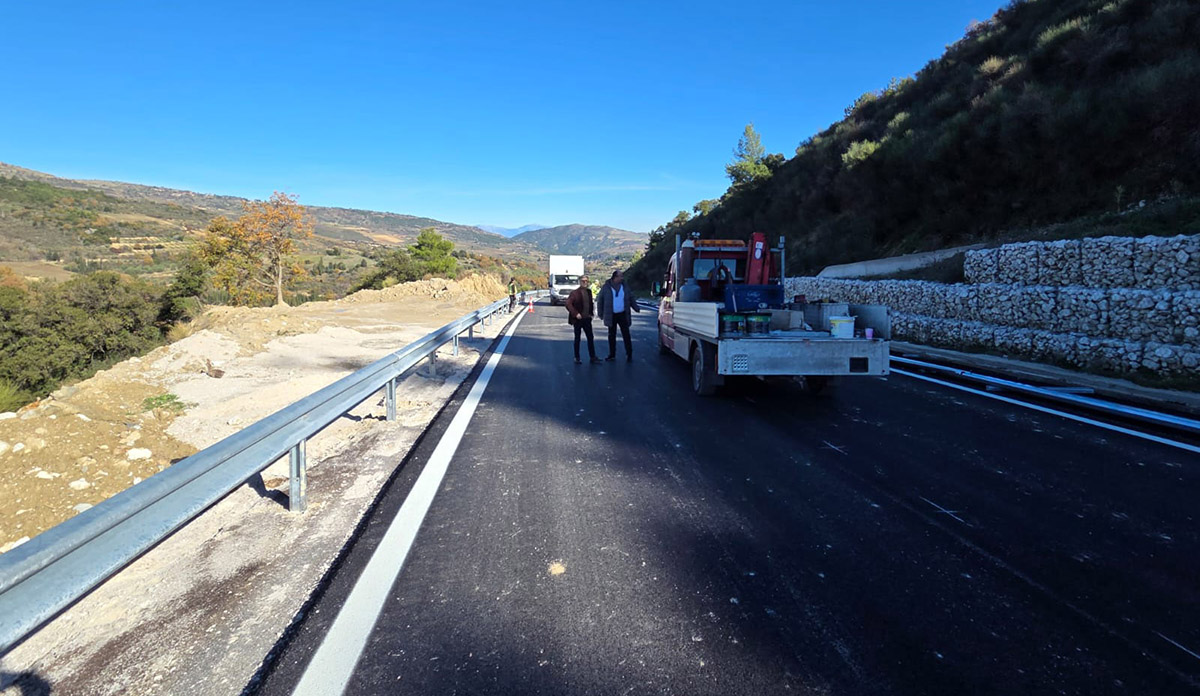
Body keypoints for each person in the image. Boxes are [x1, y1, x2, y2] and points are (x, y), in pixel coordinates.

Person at [596, 269, 641, 362]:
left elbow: (631, 297)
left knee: (626, 334)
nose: (622, 278)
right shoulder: (606, 287)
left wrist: (636, 307)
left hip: (623, 314)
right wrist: (600, 314)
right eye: (620, 276)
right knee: (611, 335)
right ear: (615, 277)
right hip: (611, 315)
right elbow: (600, 300)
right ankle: (612, 355)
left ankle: (629, 354)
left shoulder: (625, 287)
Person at [565, 275, 601, 364]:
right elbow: (568, 304)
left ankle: (592, 357)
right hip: (578, 319)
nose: (585, 282)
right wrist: (575, 313)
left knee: (590, 337)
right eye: (583, 281)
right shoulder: (574, 293)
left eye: (586, 281)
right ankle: (577, 357)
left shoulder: (589, 292)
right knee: (577, 338)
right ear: (579, 282)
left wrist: (591, 314)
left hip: (587, 319)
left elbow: (590, 304)